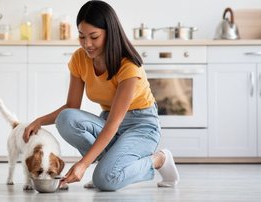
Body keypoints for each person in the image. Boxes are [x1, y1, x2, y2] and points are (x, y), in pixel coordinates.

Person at [23, 0, 179, 191]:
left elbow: (115, 122)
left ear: (110, 33)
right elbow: (71, 106)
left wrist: (83, 164)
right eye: (81, 36)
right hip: (107, 122)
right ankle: (110, 168)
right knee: (66, 118)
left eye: (94, 37)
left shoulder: (128, 65)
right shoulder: (80, 59)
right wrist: (40, 120)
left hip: (141, 126)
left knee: (105, 181)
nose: (87, 44)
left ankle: (158, 160)